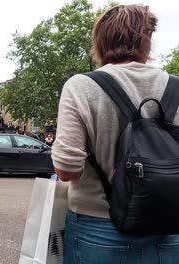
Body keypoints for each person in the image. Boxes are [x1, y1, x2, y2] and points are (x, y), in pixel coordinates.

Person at [52, 5, 179, 263]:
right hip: (170, 230)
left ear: (100, 41)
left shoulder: (81, 86)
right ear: (147, 41)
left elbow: (67, 170)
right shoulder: (176, 87)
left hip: (98, 230)